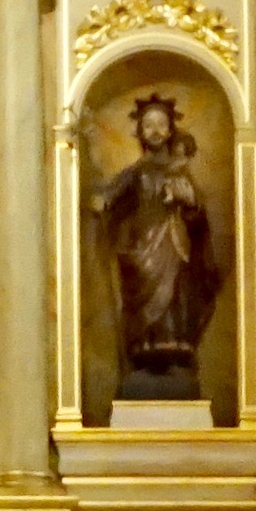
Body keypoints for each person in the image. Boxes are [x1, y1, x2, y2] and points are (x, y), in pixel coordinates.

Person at [92, 90, 230, 400]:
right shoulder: (135, 173)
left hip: (175, 244)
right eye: (148, 124)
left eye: (160, 124)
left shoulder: (180, 172)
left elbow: (197, 217)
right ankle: (145, 350)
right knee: (142, 296)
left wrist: (189, 202)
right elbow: (110, 196)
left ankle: (173, 352)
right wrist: (100, 199)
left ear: (170, 130)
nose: (154, 130)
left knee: (176, 295)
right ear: (139, 131)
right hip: (142, 248)